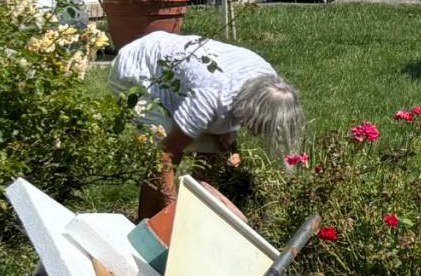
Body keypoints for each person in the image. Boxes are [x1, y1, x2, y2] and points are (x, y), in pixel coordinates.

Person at [110, 31, 306, 220]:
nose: (258, 134)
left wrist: (229, 130)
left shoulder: (268, 80)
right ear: (252, 110)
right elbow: (165, 157)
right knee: (163, 150)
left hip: (178, 70)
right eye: (261, 126)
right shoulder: (211, 98)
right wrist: (173, 219)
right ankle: (146, 225)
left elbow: (232, 105)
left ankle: (196, 211)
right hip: (138, 72)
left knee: (213, 149)